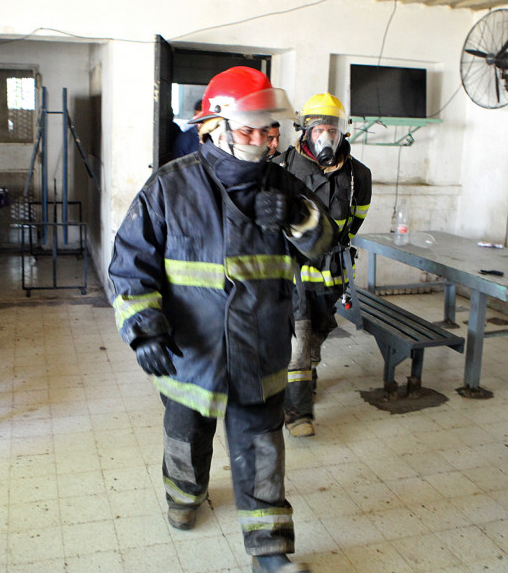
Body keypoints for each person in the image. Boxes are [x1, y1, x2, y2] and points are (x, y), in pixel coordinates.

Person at [108, 67, 336, 573]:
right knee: (186, 434)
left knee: (261, 446)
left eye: (270, 129)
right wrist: (144, 327)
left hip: (260, 348)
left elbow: (325, 250)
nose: (262, 140)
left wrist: (298, 219)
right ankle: (183, 497)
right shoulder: (171, 186)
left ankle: (271, 552)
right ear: (214, 126)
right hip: (192, 352)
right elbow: (129, 265)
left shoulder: (285, 187)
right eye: (249, 129)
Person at [278, 93, 372, 438]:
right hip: (293, 271)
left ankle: (308, 374)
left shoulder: (358, 175)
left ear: (342, 133)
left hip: (332, 272)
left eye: (332, 130)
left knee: (318, 333)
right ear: (305, 131)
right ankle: (297, 412)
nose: (325, 137)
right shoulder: (283, 167)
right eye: (319, 129)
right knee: (299, 339)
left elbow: (353, 224)